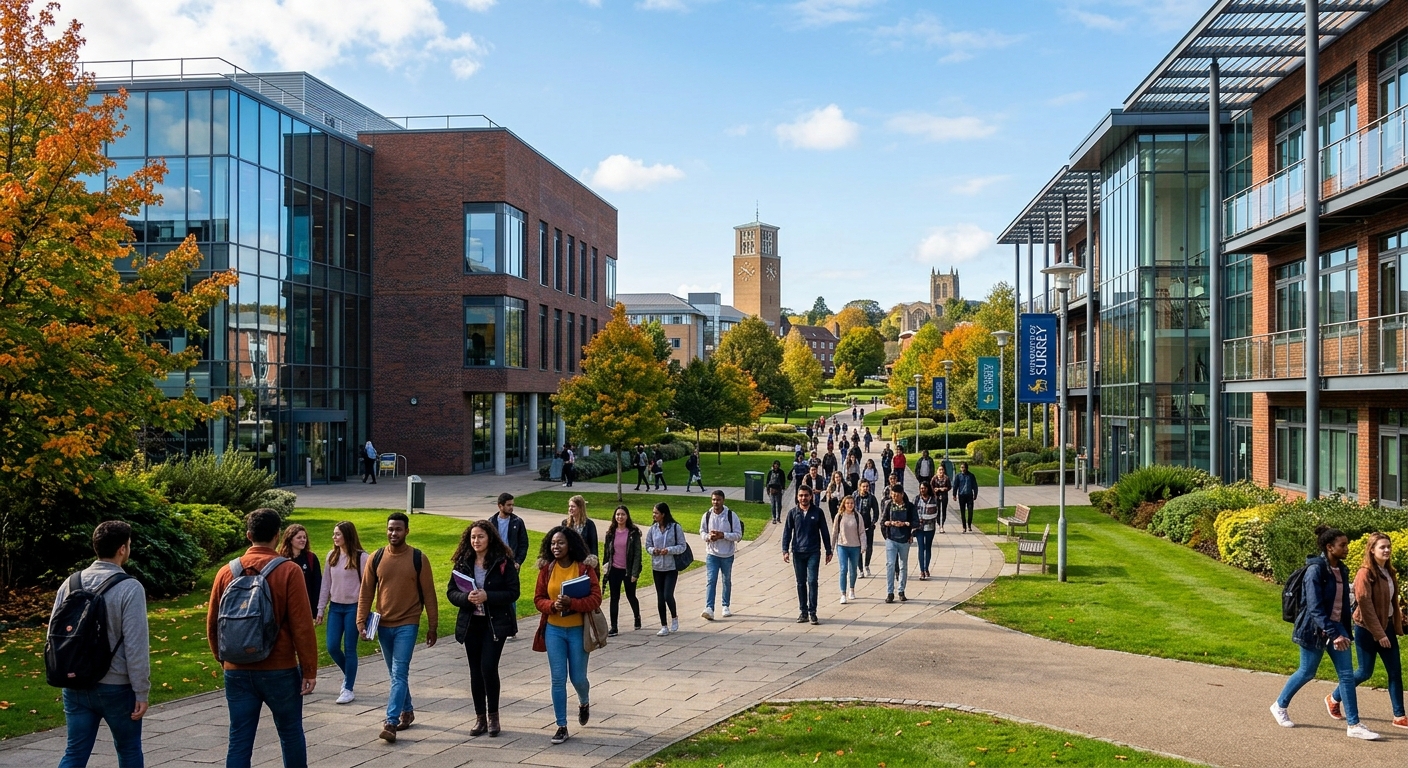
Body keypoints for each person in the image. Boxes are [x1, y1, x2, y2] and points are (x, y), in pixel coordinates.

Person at [207, 509, 318, 767]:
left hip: (237, 669)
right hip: (279, 668)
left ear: (248, 536)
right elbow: (302, 625)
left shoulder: (226, 572)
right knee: (290, 734)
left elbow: (213, 624)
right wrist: (309, 670)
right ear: (278, 535)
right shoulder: (289, 571)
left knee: (239, 739)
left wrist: (224, 659)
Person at [52, 521, 150, 768]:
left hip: (75, 684)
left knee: (74, 752)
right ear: (122, 549)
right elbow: (136, 645)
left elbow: (53, 636)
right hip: (116, 686)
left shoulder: (70, 583)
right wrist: (141, 691)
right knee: (128, 751)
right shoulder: (130, 587)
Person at [1272, 525, 1379, 739]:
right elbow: (1314, 607)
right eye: (1343, 545)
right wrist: (1333, 633)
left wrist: (1344, 632)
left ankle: (1354, 725)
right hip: (1314, 628)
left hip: (1337, 627)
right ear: (1329, 547)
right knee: (1307, 672)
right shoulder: (1315, 570)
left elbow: (1342, 606)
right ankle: (1279, 705)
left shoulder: (1343, 569)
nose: (1347, 548)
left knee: (1347, 675)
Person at [357, 512, 438, 743]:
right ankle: (408, 710)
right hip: (383, 624)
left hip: (408, 623)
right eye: (390, 529)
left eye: (398, 529)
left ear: (407, 531)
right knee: (395, 675)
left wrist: (432, 626)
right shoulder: (376, 557)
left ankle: (391, 722)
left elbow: (430, 595)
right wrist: (360, 621)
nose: (393, 533)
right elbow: (366, 592)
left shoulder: (418, 558)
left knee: (399, 672)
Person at [448, 520, 520, 738]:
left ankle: (493, 716)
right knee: (475, 671)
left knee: (488, 667)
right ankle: (480, 718)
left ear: (489, 538)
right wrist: (465, 597)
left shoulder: (502, 562)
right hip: (472, 623)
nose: (476, 541)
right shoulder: (463, 562)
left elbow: (513, 592)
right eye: (472, 537)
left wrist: (488, 596)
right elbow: (451, 592)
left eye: (480, 536)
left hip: (494, 623)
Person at [1327, 532, 1406, 728]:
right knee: (1364, 672)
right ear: (1372, 550)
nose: (1387, 550)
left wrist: (1395, 625)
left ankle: (1399, 716)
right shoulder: (1365, 573)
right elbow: (1365, 604)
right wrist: (1379, 634)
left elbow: (1391, 602)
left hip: (1385, 626)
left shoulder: (1389, 571)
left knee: (1395, 672)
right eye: (1382, 547)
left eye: (1388, 546)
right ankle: (1333, 698)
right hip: (1366, 630)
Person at [534, 526, 602, 745]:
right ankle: (561, 726)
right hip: (554, 630)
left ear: (570, 544)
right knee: (558, 678)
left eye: (560, 543)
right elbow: (538, 599)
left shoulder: (583, 568)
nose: (556, 547)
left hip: (577, 631)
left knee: (578, 678)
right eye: (553, 543)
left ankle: (584, 701)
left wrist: (572, 603)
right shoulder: (547, 569)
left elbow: (596, 598)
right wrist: (552, 605)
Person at [316, 521, 369, 705]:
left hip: (354, 608)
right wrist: (320, 608)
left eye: (337, 534)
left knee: (350, 647)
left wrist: (363, 613)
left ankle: (348, 688)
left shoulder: (362, 557)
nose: (334, 537)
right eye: (334, 534)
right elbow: (326, 585)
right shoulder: (332, 556)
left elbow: (367, 587)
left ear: (347, 535)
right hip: (336, 608)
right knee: (331, 646)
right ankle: (350, 675)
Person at [782, 486, 833, 624]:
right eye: (801, 495)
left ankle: (812, 612)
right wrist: (785, 550)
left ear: (811, 496)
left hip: (813, 552)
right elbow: (787, 532)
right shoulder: (793, 513)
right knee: (800, 583)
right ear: (797, 497)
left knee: (812, 581)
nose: (803, 498)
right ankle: (803, 612)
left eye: (806, 495)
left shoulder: (818, 512)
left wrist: (829, 550)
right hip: (798, 552)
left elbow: (824, 532)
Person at [644, 503, 687, 635]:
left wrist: (668, 550)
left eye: (656, 513)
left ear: (663, 514)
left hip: (671, 567)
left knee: (668, 594)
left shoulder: (675, 527)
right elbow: (647, 545)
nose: (654, 515)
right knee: (660, 597)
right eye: (653, 513)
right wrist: (653, 550)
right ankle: (664, 625)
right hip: (657, 567)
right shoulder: (653, 529)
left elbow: (682, 546)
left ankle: (674, 617)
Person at [700, 490, 744, 621]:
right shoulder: (707, 515)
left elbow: (738, 534)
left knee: (726, 580)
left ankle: (725, 605)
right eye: (713, 499)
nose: (715, 502)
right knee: (711, 580)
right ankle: (709, 608)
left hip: (727, 554)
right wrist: (709, 537)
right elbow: (702, 531)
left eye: (718, 500)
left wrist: (723, 535)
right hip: (712, 553)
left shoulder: (731, 515)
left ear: (723, 500)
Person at [602, 505, 643, 635]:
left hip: (628, 570)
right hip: (614, 569)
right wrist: (605, 567)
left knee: (631, 595)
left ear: (627, 516)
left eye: (623, 514)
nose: (620, 517)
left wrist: (634, 573)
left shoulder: (633, 533)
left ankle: (637, 616)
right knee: (614, 598)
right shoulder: (610, 533)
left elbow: (637, 554)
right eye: (618, 514)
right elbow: (606, 553)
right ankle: (614, 626)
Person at [880, 486, 917, 603]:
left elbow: (916, 522)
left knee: (903, 565)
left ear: (902, 494)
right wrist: (889, 526)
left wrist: (906, 524)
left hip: (904, 540)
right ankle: (890, 592)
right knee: (890, 565)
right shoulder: (889, 505)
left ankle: (901, 590)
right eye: (893, 495)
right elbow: (882, 521)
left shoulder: (910, 506)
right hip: (891, 539)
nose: (894, 497)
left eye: (896, 495)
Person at [279, 524, 321, 618]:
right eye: (299, 537)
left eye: (304, 537)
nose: (303, 540)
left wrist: (316, 611)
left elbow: (317, 585)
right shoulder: (280, 559)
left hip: (306, 607)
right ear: (290, 540)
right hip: (285, 609)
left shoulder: (311, 558)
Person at [832, 495, 863, 604]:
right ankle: (843, 593)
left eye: (852, 503)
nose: (850, 505)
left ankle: (852, 589)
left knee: (853, 569)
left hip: (855, 546)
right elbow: (835, 532)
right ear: (844, 504)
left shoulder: (858, 516)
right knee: (843, 569)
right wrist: (831, 548)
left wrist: (863, 546)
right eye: (847, 503)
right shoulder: (839, 516)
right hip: (842, 546)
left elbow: (862, 532)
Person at [854, 478, 880, 579]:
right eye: (863, 486)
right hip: (856, 527)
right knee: (858, 548)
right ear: (859, 487)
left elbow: (876, 511)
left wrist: (873, 522)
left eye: (867, 486)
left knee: (869, 547)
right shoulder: (855, 496)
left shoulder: (871, 498)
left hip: (868, 526)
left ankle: (866, 565)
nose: (865, 488)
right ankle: (860, 569)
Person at [914, 482, 939, 580]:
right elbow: (913, 512)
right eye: (921, 488)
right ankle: (921, 570)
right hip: (920, 528)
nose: (922, 490)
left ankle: (926, 568)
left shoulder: (933, 499)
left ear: (928, 489)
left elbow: (935, 513)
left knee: (928, 548)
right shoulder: (916, 499)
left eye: (924, 488)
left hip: (930, 527)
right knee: (921, 548)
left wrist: (926, 519)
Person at [564, 495, 599, 560]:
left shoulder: (589, 525)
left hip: (584, 561)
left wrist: (593, 561)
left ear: (580, 508)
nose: (570, 509)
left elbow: (593, 546)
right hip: (569, 561)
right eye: (569, 506)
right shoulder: (565, 523)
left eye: (573, 506)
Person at [953, 462, 979, 533]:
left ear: (966, 468)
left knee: (970, 511)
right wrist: (954, 495)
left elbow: (975, 485)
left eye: (964, 467)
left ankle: (969, 524)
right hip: (961, 495)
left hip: (969, 495)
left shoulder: (971, 476)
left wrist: (975, 494)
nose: (963, 469)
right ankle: (964, 526)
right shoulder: (958, 476)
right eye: (961, 467)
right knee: (962, 511)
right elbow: (955, 486)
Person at [766, 460, 788, 525]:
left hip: (778, 490)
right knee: (773, 505)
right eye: (775, 464)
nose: (776, 466)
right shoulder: (770, 472)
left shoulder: (781, 472)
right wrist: (767, 489)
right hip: (772, 490)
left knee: (778, 504)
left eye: (777, 464)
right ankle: (774, 518)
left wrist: (783, 489)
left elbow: (783, 481)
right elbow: (768, 481)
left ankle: (778, 517)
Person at [933, 468, 952, 534]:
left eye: (942, 470)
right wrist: (935, 490)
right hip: (937, 496)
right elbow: (931, 486)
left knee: (944, 510)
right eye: (939, 470)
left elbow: (949, 486)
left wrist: (945, 488)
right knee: (937, 511)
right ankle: (939, 524)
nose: (941, 471)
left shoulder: (946, 478)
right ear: (937, 471)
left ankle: (942, 525)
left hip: (944, 496)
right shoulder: (934, 478)